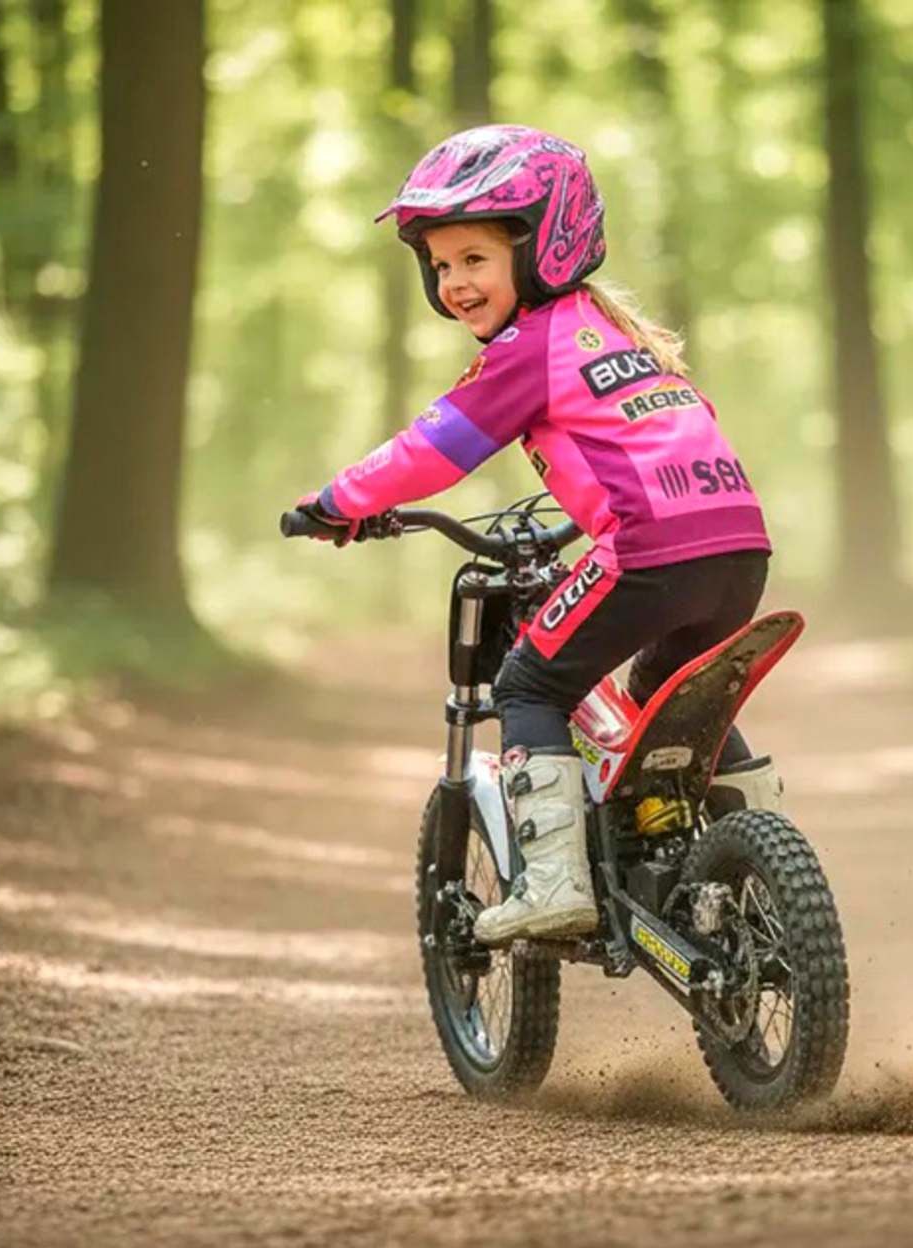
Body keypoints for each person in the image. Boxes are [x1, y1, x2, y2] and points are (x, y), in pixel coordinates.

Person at [290, 125, 783, 946]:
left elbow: (435, 449)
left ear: (544, 246)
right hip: (738, 546)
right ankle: (766, 877)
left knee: (528, 686)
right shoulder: (620, 335)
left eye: (473, 258)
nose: (454, 283)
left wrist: (338, 501)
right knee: (673, 697)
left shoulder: (531, 345)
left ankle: (554, 884)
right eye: (440, 265)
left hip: (647, 551)